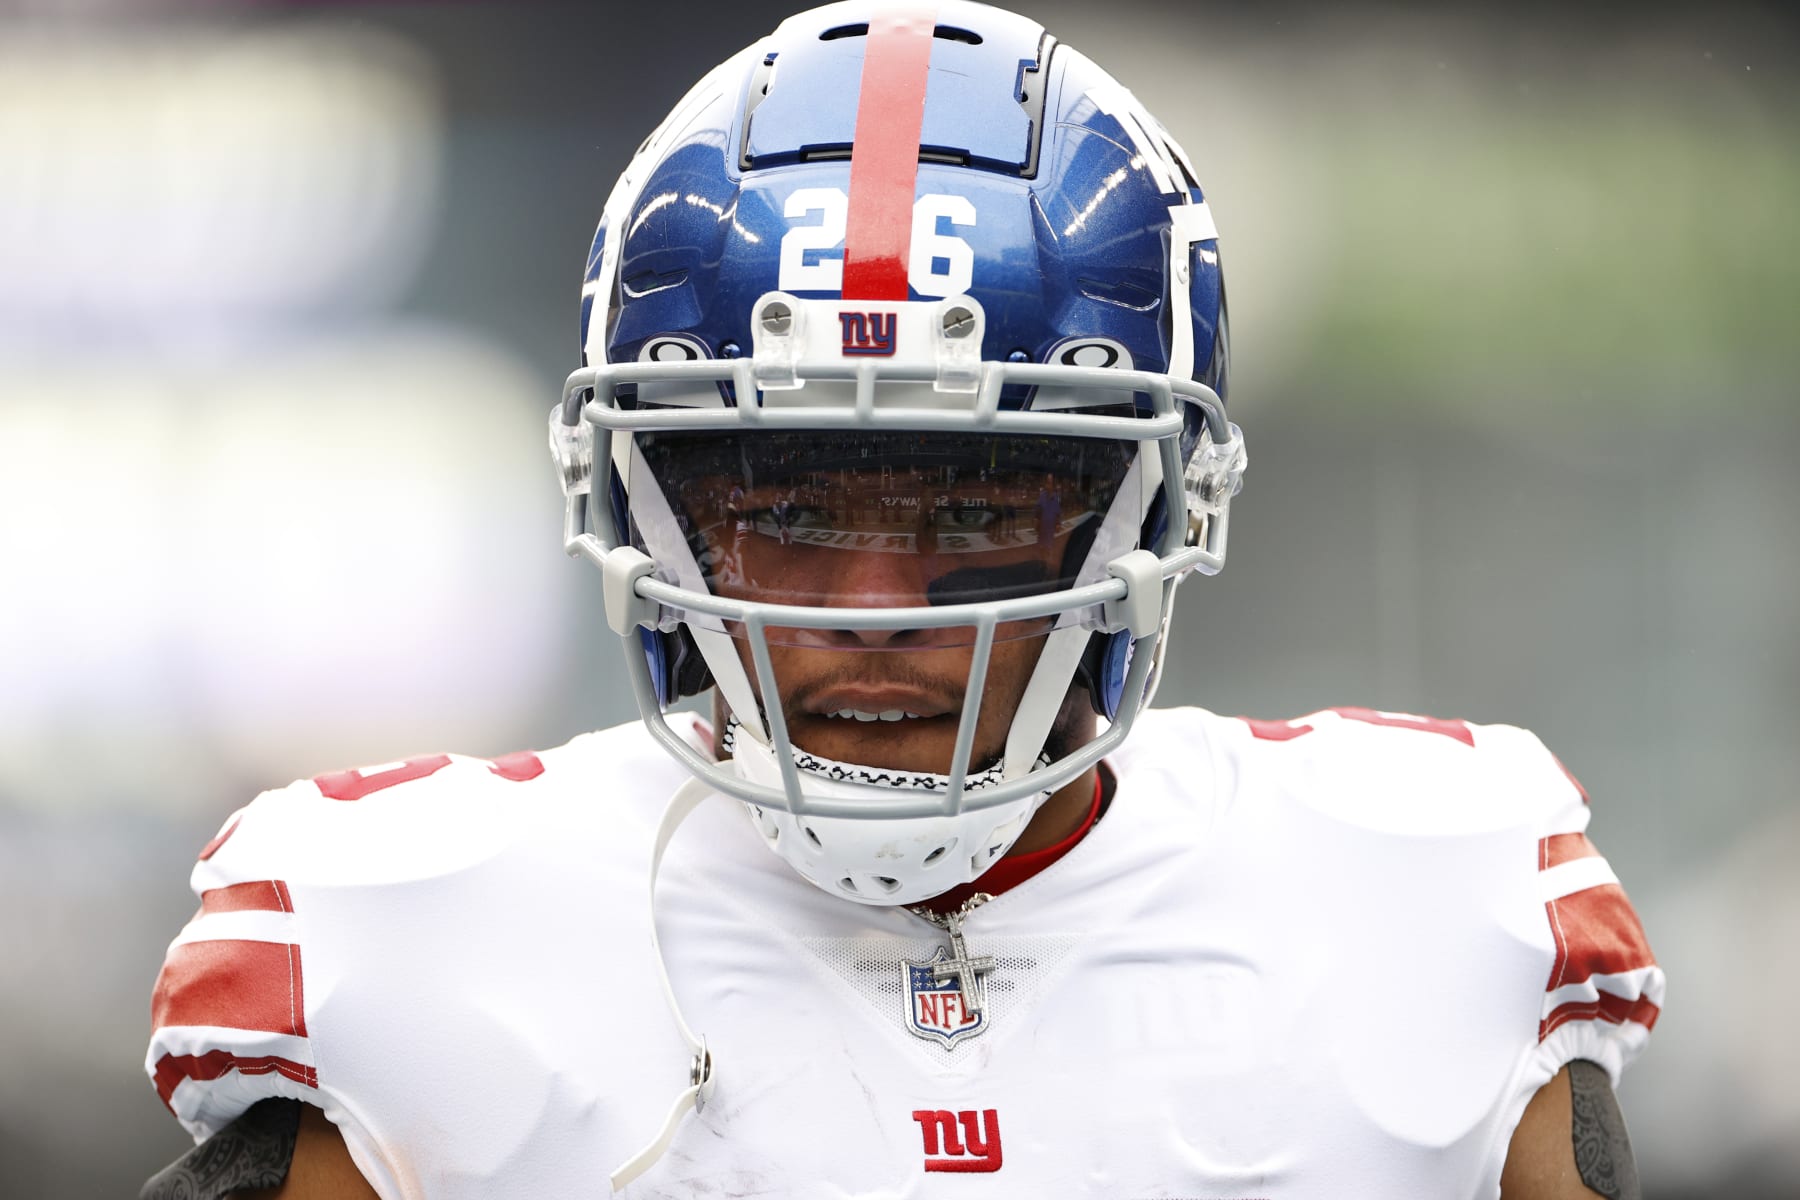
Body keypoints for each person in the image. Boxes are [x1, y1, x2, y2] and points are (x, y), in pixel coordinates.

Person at [141, 3, 1662, 1197]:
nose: (878, 609)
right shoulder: (401, 934)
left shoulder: (1429, 902)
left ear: (1156, 507)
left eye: (979, 505)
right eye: (790, 509)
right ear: (643, 501)